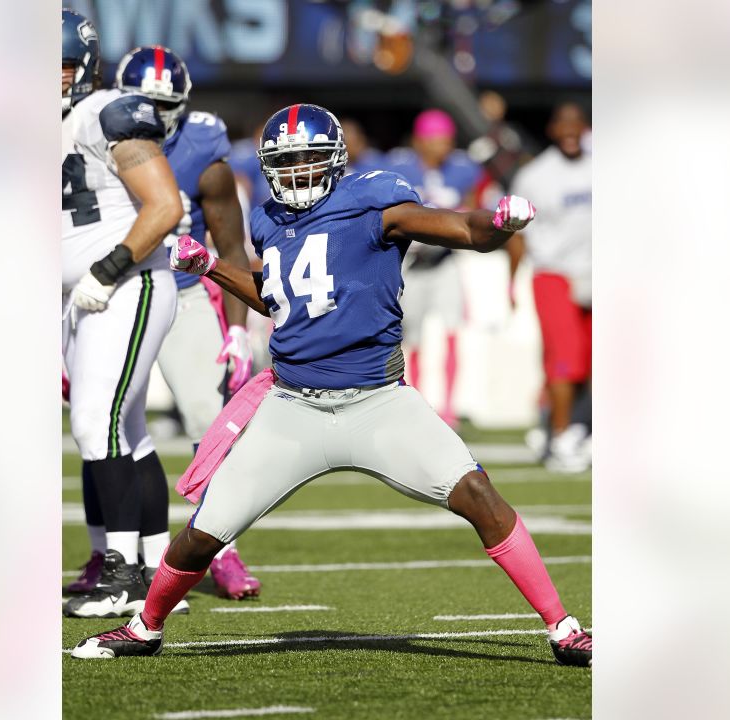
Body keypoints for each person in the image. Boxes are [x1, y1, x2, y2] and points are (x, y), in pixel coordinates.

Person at [71, 103, 593, 667]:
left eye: (307, 158)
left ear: (335, 159)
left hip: (378, 403)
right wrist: (213, 269)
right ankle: (146, 626)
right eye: (285, 160)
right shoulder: (269, 219)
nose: (296, 170)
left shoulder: (373, 200)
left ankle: (562, 626)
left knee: (480, 499)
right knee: (204, 532)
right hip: (292, 406)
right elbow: (277, 300)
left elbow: (465, 228)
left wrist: (501, 223)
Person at [105, 44, 262, 600]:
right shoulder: (87, 133)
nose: (150, 113)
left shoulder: (201, 147)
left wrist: (238, 328)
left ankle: (222, 549)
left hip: (184, 290)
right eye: (140, 102)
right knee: (106, 426)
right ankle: (110, 553)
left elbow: (230, 244)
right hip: (113, 291)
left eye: (161, 103)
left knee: (207, 420)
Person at [60, 9, 183, 619]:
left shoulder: (105, 111)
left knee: (94, 423)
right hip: (80, 294)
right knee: (125, 431)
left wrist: (106, 271)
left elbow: (164, 205)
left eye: (55, 68)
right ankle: (154, 571)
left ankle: (123, 575)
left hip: (123, 284)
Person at [507, 102, 593, 472]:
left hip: (597, 273)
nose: (571, 129)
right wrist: (511, 280)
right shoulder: (535, 176)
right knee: (565, 358)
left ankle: (564, 428)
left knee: (590, 360)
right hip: (553, 273)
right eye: (564, 123)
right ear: (553, 130)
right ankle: (560, 437)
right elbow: (517, 232)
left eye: (578, 122)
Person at [385, 110, 484, 428]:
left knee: (452, 330)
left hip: (444, 261)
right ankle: (418, 398)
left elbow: (473, 205)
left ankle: (450, 406)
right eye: (435, 140)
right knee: (410, 335)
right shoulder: (398, 168)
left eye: (446, 141)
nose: (443, 147)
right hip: (412, 264)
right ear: (419, 141)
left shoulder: (461, 169)